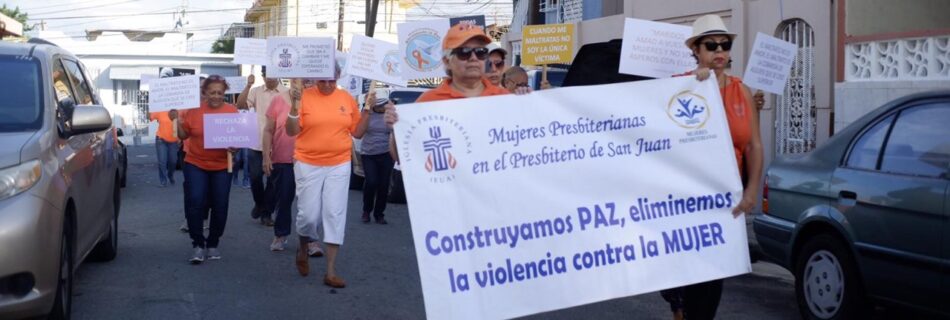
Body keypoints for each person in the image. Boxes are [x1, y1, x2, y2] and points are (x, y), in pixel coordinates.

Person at [660, 14, 764, 320]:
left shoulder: (742, 91)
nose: (719, 50)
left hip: (725, 198)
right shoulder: (679, 86)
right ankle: (679, 303)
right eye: (711, 45)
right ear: (696, 50)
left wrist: (751, 190)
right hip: (688, 197)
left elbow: (754, 145)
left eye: (725, 44)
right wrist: (694, 84)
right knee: (691, 270)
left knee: (714, 274)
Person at [385, 23, 520, 158]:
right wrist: (397, 129)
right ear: (447, 61)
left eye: (480, 52)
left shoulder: (505, 98)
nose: (473, 58)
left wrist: (531, 103)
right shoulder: (427, 102)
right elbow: (403, 158)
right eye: (464, 52)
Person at [285, 66, 368, 288]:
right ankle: (303, 247)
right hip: (307, 162)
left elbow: (357, 132)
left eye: (332, 80)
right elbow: (291, 131)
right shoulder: (304, 97)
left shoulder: (346, 98)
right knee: (309, 216)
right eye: (323, 81)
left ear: (338, 78)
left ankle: (330, 271)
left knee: (334, 213)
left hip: (339, 163)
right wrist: (294, 105)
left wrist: (368, 109)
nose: (328, 85)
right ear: (315, 79)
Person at [177, 75, 239, 264]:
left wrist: (235, 147)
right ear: (204, 93)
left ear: (224, 94)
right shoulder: (194, 112)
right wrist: (177, 122)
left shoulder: (232, 111)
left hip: (222, 165)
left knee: (220, 205)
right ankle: (197, 244)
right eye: (212, 92)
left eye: (220, 93)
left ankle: (213, 243)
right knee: (195, 201)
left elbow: (239, 138)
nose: (216, 96)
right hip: (196, 163)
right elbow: (183, 135)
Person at [262, 80, 313, 251]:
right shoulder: (278, 100)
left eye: (309, 78)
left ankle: (311, 240)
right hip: (283, 159)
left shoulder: (315, 100)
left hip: (310, 160)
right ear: (292, 79)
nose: (306, 82)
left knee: (309, 202)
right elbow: (268, 130)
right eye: (300, 78)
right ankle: (280, 235)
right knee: (284, 199)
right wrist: (266, 157)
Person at [237, 66, 290, 226]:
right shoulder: (256, 91)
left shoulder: (286, 93)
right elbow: (240, 105)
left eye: (274, 75)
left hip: (279, 144)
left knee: (273, 182)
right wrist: (248, 85)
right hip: (256, 142)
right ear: (263, 76)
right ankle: (260, 204)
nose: (271, 79)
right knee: (255, 178)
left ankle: (267, 213)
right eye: (267, 76)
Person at [357, 95, 393, 225]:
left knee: (383, 185)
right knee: (371, 181)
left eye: (384, 105)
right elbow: (359, 130)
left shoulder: (389, 114)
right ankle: (366, 211)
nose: (382, 107)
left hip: (387, 153)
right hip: (369, 153)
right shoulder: (367, 114)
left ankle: (379, 214)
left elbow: (396, 131)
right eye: (379, 105)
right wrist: (368, 110)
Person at [149, 109, 179, 187]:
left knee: (173, 161)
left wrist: (180, 138)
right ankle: (163, 180)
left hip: (173, 141)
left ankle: (170, 175)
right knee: (162, 161)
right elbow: (150, 117)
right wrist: (149, 109)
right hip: (161, 139)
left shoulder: (178, 110)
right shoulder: (160, 109)